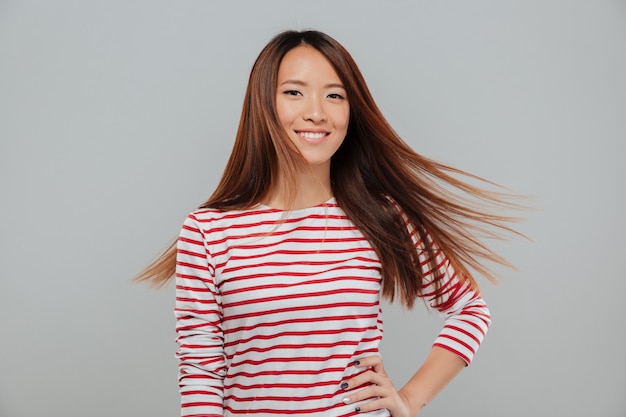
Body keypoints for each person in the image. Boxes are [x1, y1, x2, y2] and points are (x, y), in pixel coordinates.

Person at [136, 29, 521, 417]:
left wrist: (409, 400)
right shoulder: (207, 231)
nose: (316, 112)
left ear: (351, 112)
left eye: (335, 95)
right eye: (294, 92)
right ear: (263, 104)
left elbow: (470, 308)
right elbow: (201, 374)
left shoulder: (379, 217)